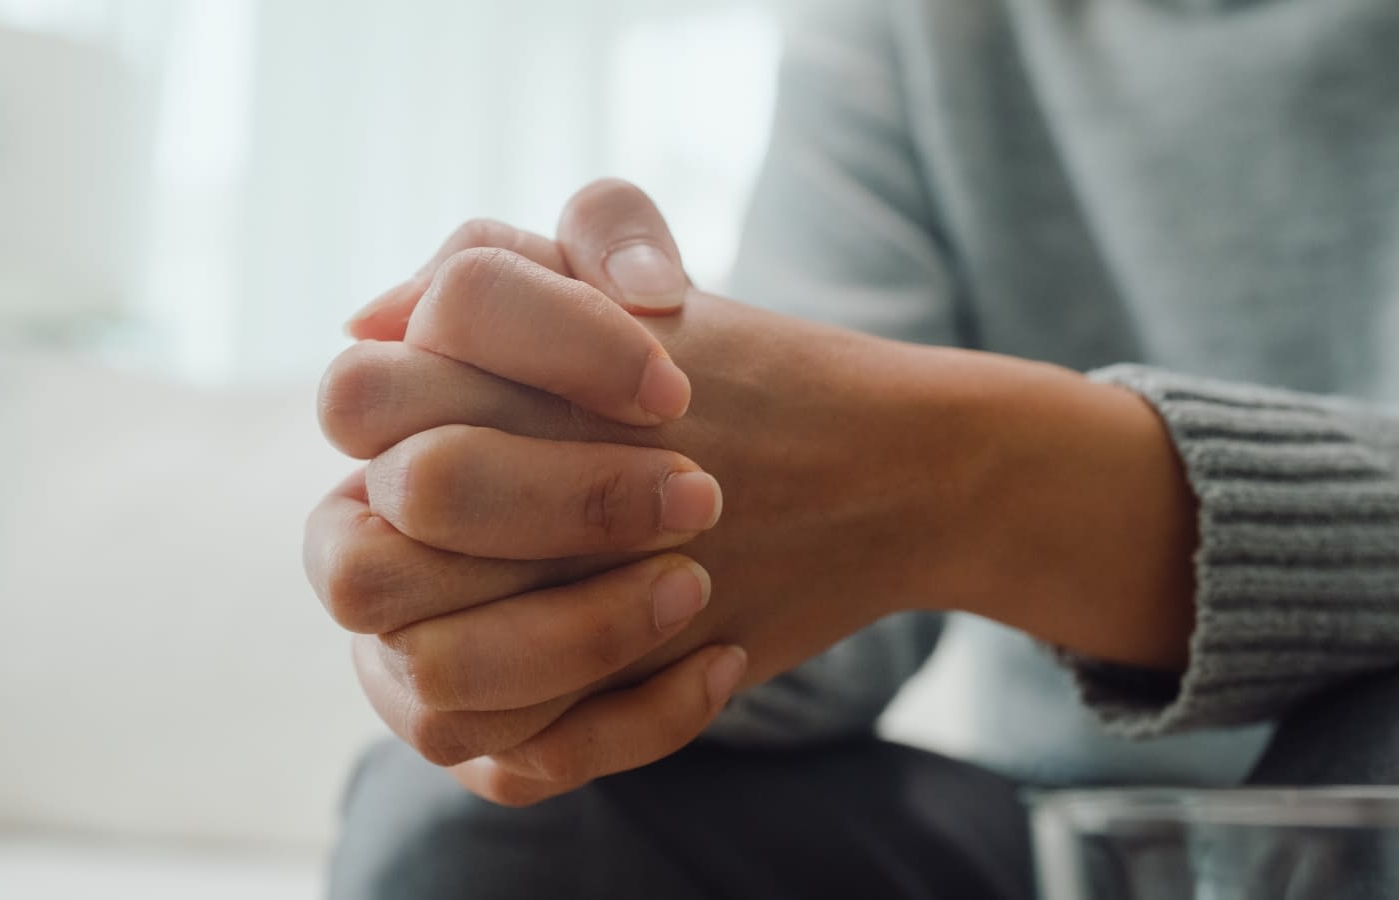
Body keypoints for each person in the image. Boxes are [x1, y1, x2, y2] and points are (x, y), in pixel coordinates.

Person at [303, 1, 1399, 896]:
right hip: (1076, 839)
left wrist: (971, 479)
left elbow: (885, 464)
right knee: (475, 837)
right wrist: (593, 546)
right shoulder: (911, 28)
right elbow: (817, 560)